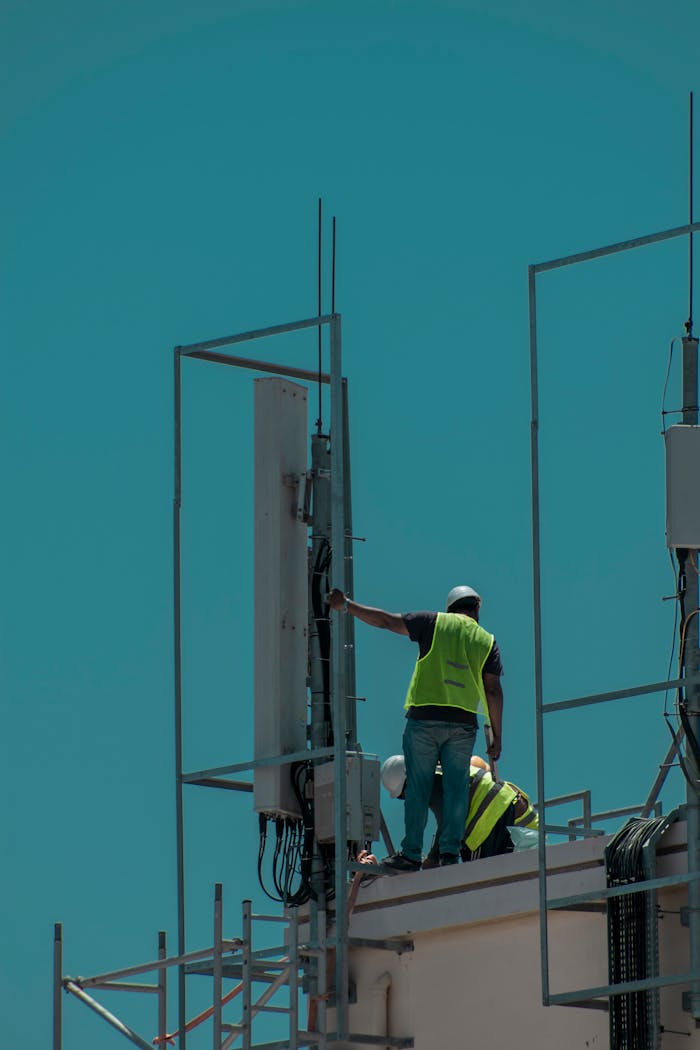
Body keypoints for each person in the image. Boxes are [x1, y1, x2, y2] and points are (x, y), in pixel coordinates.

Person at [327, 584, 504, 871]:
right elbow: (493, 690)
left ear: (451, 608)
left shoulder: (434, 622)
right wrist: (496, 734)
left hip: (425, 720)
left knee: (419, 788)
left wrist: (346, 604)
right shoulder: (486, 641)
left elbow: (385, 620)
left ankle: (410, 855)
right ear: (477, 608)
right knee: (456, 790)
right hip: (462, 725)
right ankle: (450, 854)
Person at [380, 753, 538, 868]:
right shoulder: (438, 772)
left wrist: (432, 858)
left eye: (404, 793)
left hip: (490, 816)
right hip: (500, 805)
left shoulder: (430, 784)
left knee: (480, 878)